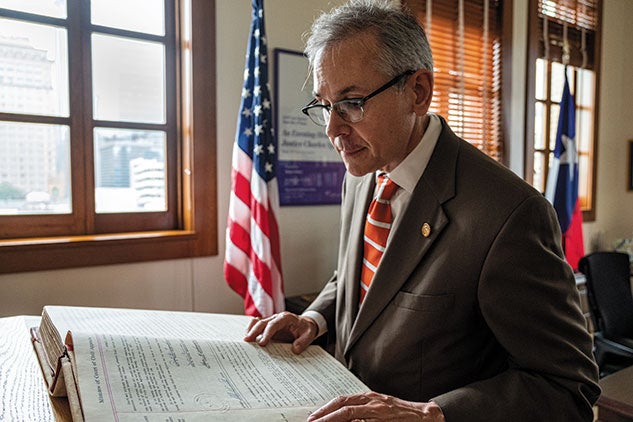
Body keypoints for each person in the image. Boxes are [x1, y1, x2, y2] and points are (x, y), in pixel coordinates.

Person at [244, 1, 600, 420]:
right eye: (324, 105)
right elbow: (357, 276)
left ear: (418, 92)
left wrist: (433, 415)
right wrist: (315, 320)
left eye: (352, 103)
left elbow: (567, 386)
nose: (332, 129)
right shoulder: (361, 174)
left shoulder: (510, 214)